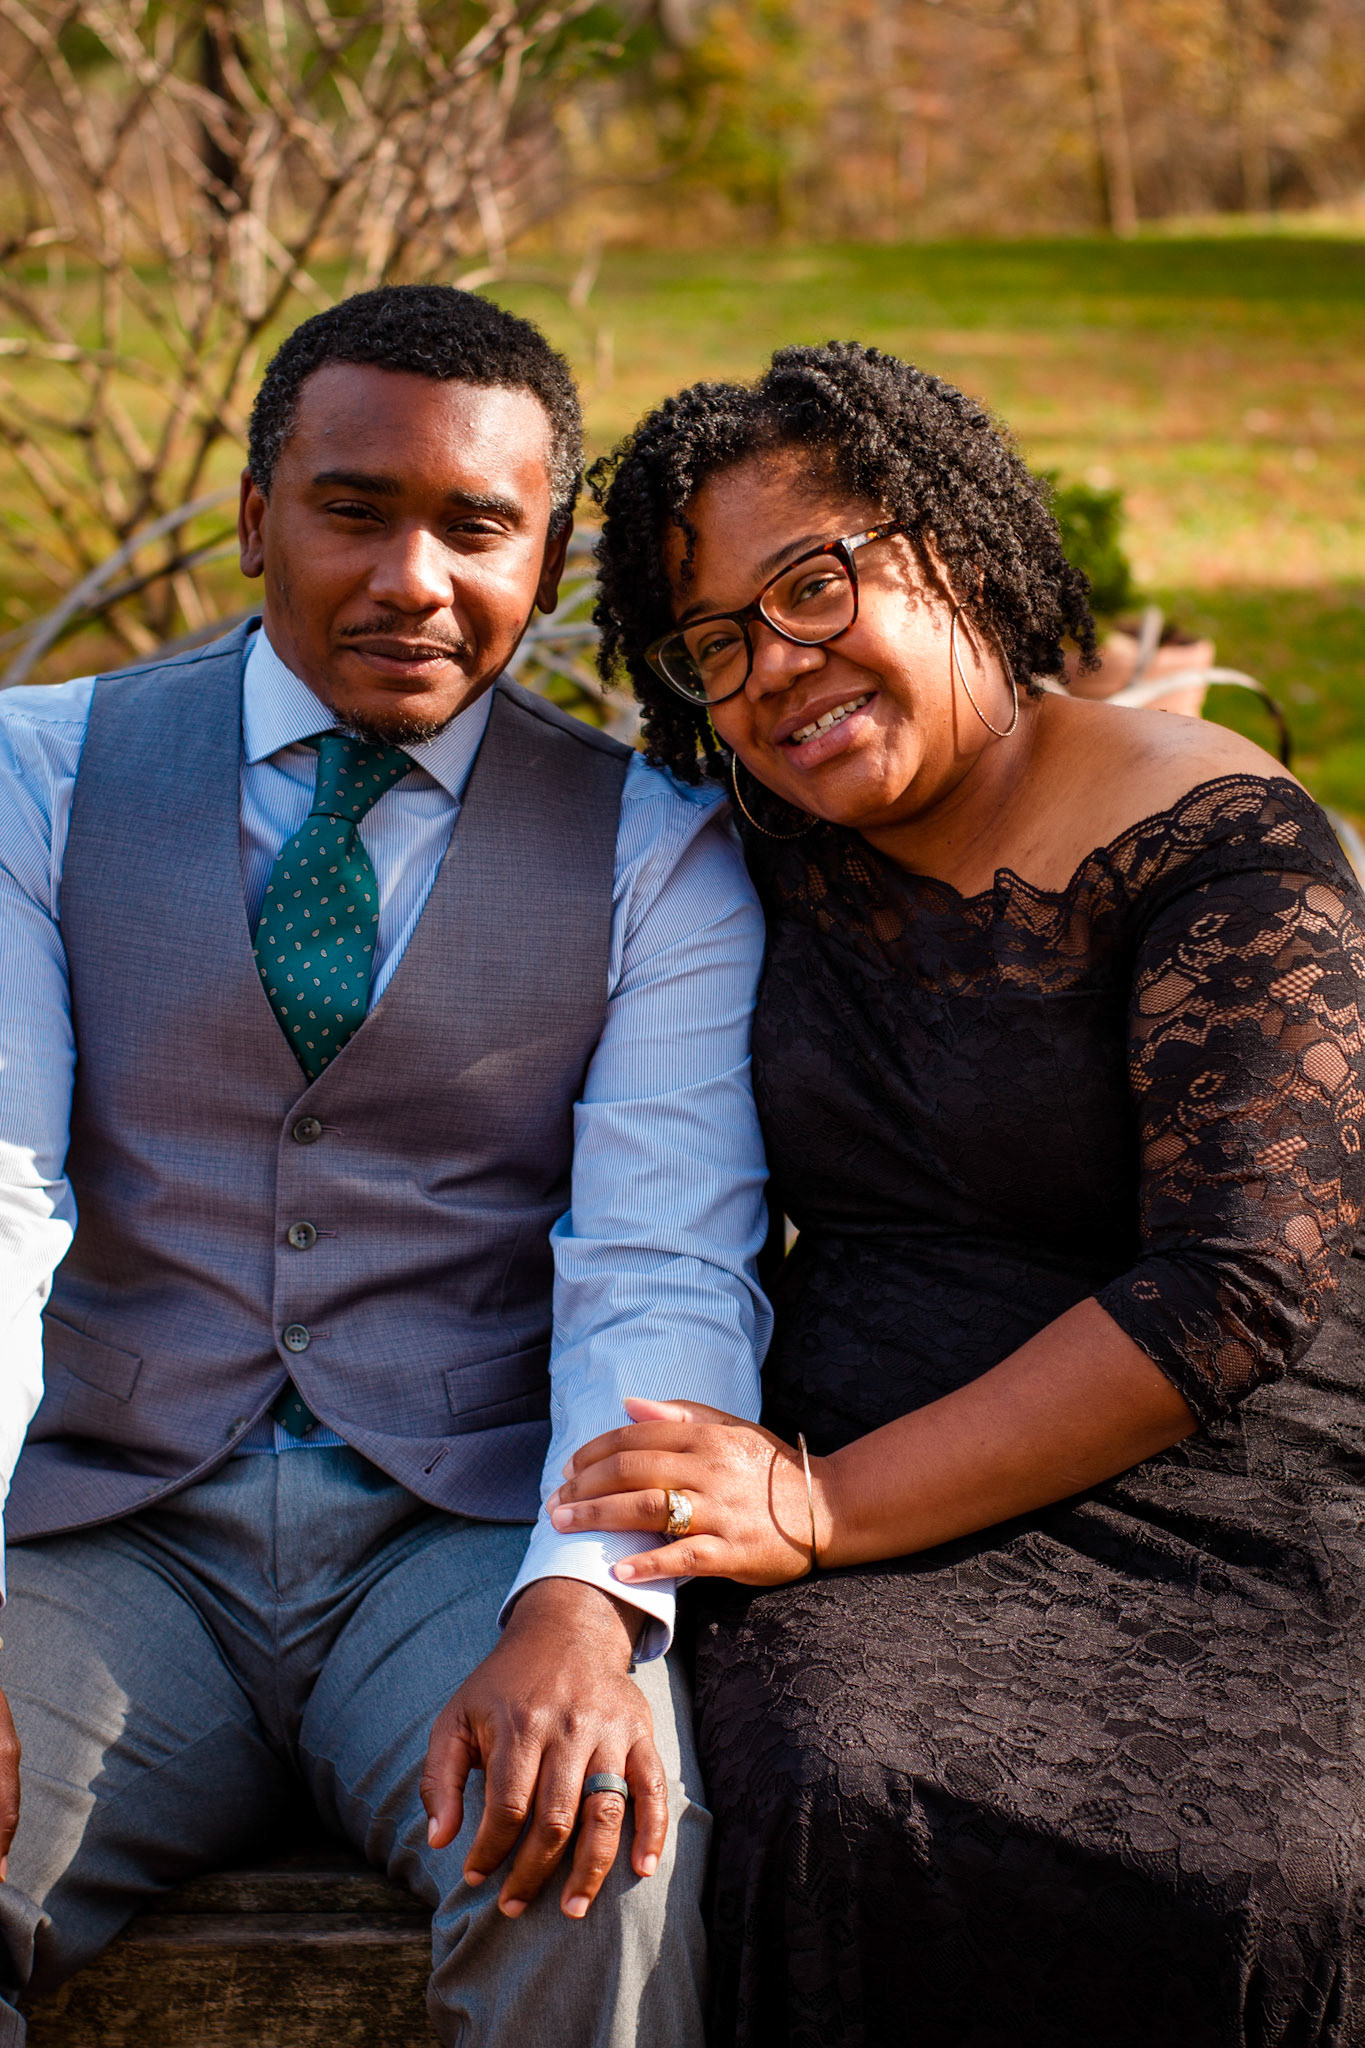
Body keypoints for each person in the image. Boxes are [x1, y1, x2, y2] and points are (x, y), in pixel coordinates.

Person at [552, 341, 1365, 2046]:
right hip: (863, 1481)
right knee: (835, 1781)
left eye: (813, 584)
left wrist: (825, 1507)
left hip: (1213, 1477)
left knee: (1269, 1867)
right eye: (715, 642)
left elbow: (1237, 1285)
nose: (776, 667)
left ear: (955, 549)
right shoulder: (754, 844)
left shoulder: (1218, 841)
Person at [0, 285, 772, 2047]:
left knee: (603, 1850)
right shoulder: (34, 778)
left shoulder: (657, 852)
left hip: (461, 1535)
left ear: (549, 556)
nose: (413, 578)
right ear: (254, 513)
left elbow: (659, 1261)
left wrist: (585, 1605)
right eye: (354, 509)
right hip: (102, 1536)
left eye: (476, 527)